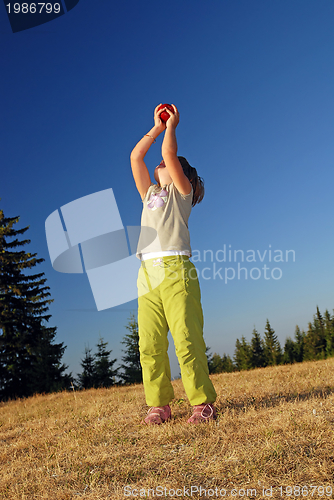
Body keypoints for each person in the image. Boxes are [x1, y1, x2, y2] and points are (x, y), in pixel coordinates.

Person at [130, 103, 217, 424]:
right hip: (147, 274)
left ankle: (202, 403)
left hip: (176, 270)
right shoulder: (150, 192)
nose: (160, 164)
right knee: (149, 343)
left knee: (186, 337)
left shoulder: (182, 191)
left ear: (182, 173)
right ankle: (159, 404)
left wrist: (171, 127)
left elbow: (167, 156)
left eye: (168, 164)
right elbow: (136, 158)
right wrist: (155, 127)